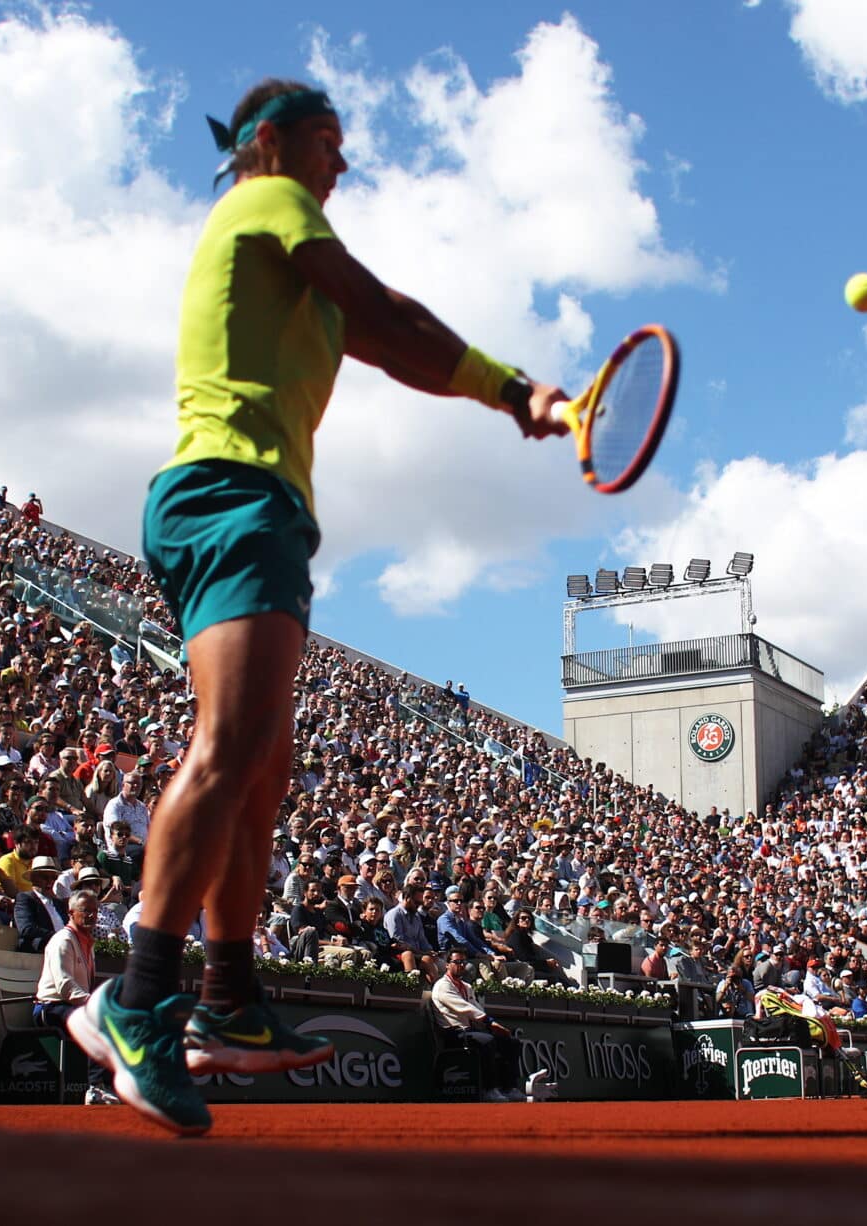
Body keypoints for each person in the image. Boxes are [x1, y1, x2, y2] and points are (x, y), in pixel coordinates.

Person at [69, 77, 567, 1137]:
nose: (339, 162)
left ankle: (228, 999)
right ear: (267, 142)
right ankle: (136, 996)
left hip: (251, 505)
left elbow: (389, 336)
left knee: (263, 763)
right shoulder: (267, 203)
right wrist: (516, 388)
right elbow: (386, 314)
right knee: (232, 741)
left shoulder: (296, 265)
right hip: (231, 494)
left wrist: (497, 387)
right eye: (326, 141)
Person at [35, 890, 121, 1105]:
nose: (91, 916)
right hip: (50, 1008)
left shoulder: (86, 943)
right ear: (71, 913)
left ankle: (109, 1086)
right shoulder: (63, 941)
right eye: (85, 911)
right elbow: (65, 987)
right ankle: (95, 1088)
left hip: (71, 1007)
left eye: (94, 911)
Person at [429, 952, 524, 1102]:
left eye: (463, 962)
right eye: (456, 962)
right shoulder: (442, 986)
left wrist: (493, 1026)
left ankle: (509, 1087)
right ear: (447, 964)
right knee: (487, 1041)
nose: (461, 965)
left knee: (511, 1041)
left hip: (472, 1032)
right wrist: (490, 1022)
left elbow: (477, 1008)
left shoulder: (466, 987)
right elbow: (465, 1008)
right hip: (454, 1034)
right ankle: (490, 1089)